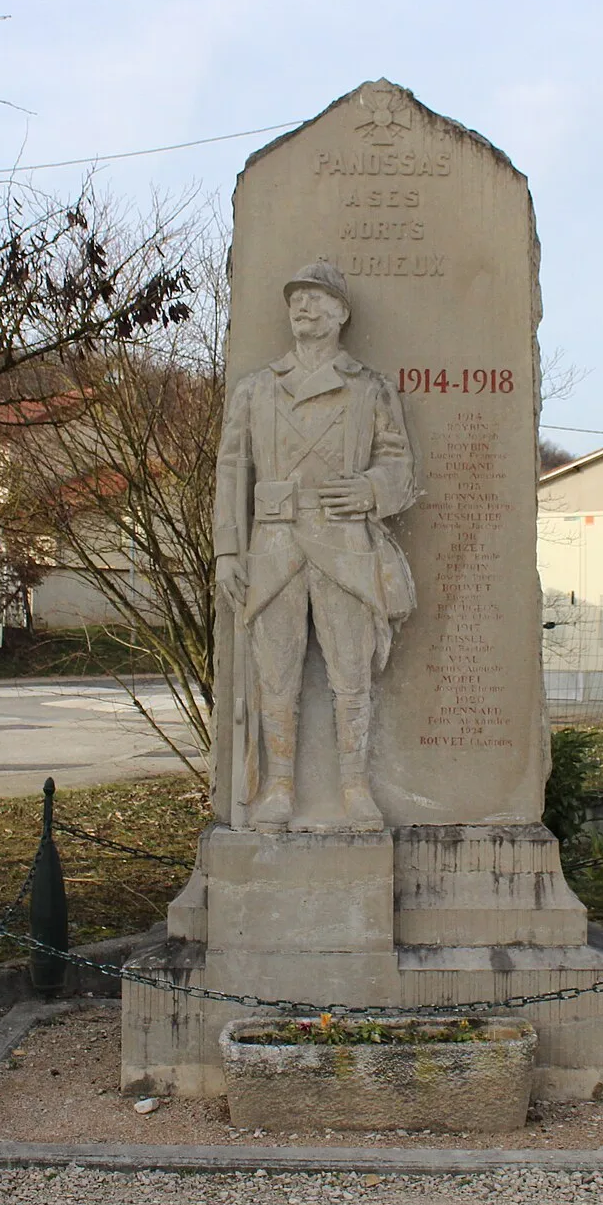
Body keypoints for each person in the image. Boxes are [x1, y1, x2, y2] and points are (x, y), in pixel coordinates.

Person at [214, 261, 417, 831]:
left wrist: (371, 490)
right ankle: (278, 787)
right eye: (296, 299)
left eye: (316, 299)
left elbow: (399, 462)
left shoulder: (368, 387)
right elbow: (232, 469)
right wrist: (227, 552)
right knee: (275, 675)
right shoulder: (256, 387)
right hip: (273, 546)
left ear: (340, 313)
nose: (302, 308)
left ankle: (354, 787)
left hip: (343, 544)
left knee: (350, 673)